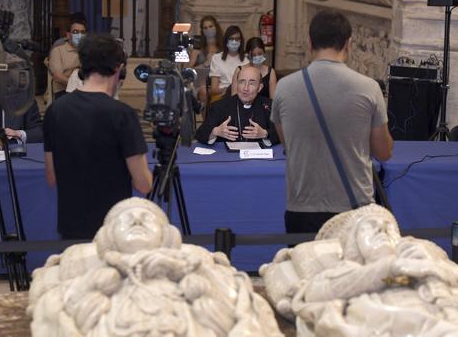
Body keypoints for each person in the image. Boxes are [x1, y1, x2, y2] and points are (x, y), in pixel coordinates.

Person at [28, 197, 284, 337]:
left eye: (148, 218)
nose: (137, 218)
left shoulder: (197, 271)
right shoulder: (85, 282)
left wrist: (186, 273)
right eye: (125, 219)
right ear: (107, 238)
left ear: (167, 236)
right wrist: (94, 284)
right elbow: (54, 313)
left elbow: (238, 315)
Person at [271, 10, 393, 234]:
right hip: (354, 206)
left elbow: (288, 144)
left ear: (309, 43)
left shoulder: (284, 88)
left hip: (302, 206)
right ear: (349, 44)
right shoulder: (369, 88)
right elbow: (383, 152)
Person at [260, 204, 458, 336]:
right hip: (399, 321)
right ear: (352, 241)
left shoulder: (420, 254)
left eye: (389, 227)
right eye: (370, 227)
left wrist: (429, 265)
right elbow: (316, 292)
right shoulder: (342, 272)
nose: (382, 230)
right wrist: (392, 268)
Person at [43, 33, 152, 239]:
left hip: (71, 226)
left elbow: (52, 176)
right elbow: (143, 184)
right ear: (119, 69)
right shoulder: (123, 115)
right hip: (114, 230)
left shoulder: (55, 110)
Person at [195, 66, 279, 146]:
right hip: (227, 158)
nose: (246, 88)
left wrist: (265, 133)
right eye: (242, 82)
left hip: (260, 158)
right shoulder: (219, 106)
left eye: (252, 83)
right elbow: (200, 135)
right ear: (236, 84)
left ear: (260, 87)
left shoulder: (269, 106)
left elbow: (285, 134)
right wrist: (215, 131)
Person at [48, 13, 87, 100]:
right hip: (64, 91)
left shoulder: (90, 50)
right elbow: (58, 76)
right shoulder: (58, 51)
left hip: (87, 91)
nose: (79, 35)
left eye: (83, 32)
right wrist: (77, 85)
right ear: (68, 35)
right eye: (75, 32)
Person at [209, 25, 249, 102]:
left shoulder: (246, 60)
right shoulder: (216, 58)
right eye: (231, 39)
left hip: (241, 97)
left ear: (241, 41)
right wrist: (228, 91)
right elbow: (214, 89)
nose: (234, 41)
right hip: (221, 97)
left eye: (237, 39)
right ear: (226, 40)